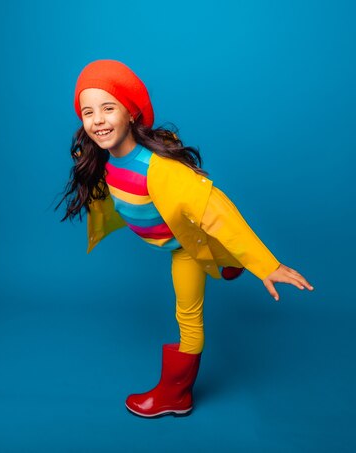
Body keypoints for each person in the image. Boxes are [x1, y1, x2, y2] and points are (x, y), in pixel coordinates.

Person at [58, 59, 314, 418]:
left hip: (189, 246)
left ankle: (176, 395)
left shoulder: (160, 170)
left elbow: (217, 212)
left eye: (108, 108)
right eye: (88, 112)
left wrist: (267, 266)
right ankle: (226, 262)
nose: (97, 119)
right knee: (202, 260)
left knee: (190, 313)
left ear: (131, 113)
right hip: (178, 242)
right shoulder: (101, 159)